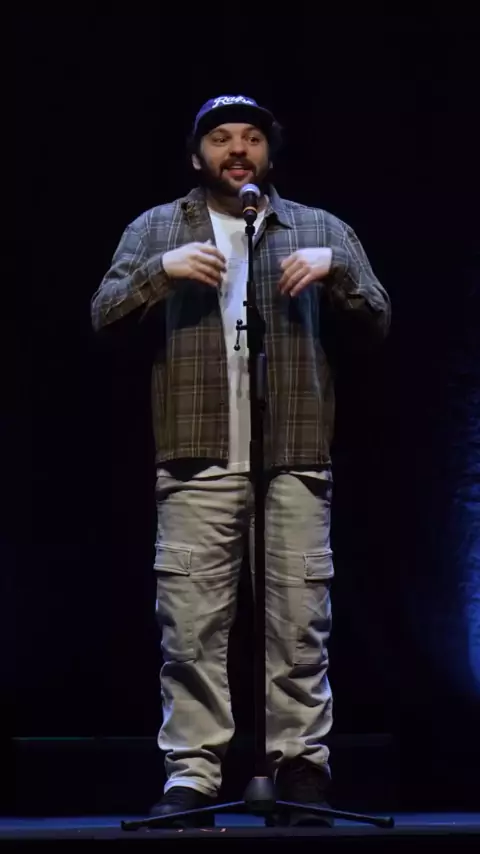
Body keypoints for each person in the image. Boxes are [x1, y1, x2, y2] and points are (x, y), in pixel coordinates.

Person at [91, 94, 391, 827]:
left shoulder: (318, 228)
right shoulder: (159, 227)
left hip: (292, 451)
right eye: (221, 137)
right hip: (196, 453)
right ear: (197, 156)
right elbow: (103, 315)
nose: (237, 149)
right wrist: (160, 271)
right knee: (191, 625)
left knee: (300, 622)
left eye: (252, 138)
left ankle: (301, 770)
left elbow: (379, 318)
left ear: (269, 154)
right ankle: (193, 777)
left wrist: (336, 270)